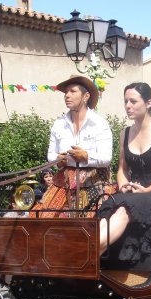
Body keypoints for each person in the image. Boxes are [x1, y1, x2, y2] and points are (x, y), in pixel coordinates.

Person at [97, 82, 151, 260]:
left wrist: (148, 189)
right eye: (125, 101)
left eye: (133, 101)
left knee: (122, 211)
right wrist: (122, 186)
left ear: (148, 103)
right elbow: (122, 168)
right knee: (107, 211)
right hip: (133, 192)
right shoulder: (125, 133)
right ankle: (89, 258)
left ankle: (84, 256)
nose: (128, 106)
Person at [38, 75, 113, 217]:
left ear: (86, 96)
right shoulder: (58, 124)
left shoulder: (100, 123)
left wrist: (86, 157)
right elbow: (51, 154)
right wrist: (58, 159)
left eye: (72, 91)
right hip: (63, 181)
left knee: (92, 222)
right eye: (66, 92)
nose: (67, 95)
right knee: (44, 216)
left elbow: (106, 158)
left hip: (94, 182)